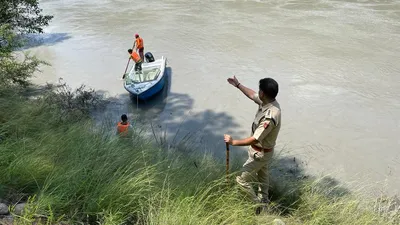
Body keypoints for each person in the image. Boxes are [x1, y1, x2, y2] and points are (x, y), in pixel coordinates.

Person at [223, 75, 281, 215]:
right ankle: (265, 202)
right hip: (265, 151)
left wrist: (233, 142)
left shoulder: (270, 116)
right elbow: (251, 95)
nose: (257, 92)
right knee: (263, 176)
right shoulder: (269, 102)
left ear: (263, 93)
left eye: (259, 90)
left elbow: (255, 138)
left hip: (260, 153)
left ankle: (257, 206)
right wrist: (238, 85)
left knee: (241, 180)